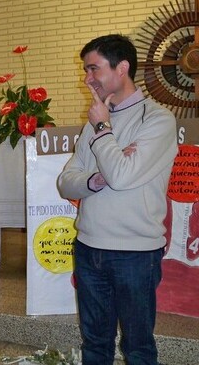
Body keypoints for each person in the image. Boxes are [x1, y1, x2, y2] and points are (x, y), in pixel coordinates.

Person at [57, 34, 178, 365]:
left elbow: (124, 177)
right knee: (95, 344)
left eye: (93, 68)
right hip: (88, 248)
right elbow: (66, 182)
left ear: (122, 67)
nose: (87, 78)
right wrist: (97, 178)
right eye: (86, 70)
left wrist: (103, 130)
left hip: (135, 255)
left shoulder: (157, 120)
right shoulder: (94, 124)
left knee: (138, 348)